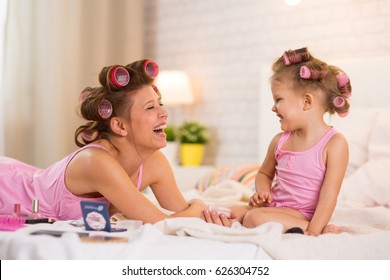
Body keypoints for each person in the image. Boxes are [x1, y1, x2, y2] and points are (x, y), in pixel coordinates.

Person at [0, 59, 233, 226]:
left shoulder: (155, 162)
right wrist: (198, 208)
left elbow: (179, 213)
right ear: (120, 126)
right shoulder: (96, 161)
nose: (164, 113)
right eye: (151, 107)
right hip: (9, 189)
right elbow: (164, 223)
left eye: (160, 103)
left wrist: (212, 210)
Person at [241, 47, 351, 235]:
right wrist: (263, 191)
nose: (273, 108)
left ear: (307, 102)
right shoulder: (279, 141)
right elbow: (264, 174)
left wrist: (314, 230)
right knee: (230, 212)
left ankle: (310, 229)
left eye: (278, 100)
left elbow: (329, 194)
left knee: (252, 218)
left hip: (303, 215)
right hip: (276, 208)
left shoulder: (335, 144)